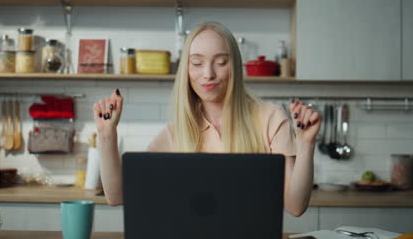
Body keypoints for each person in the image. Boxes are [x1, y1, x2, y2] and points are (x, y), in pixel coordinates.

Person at [93, 22, 321, 217]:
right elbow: (117, 196)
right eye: (197, 63)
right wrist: (106, 135)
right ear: (186, 70)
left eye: (221, 62)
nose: (208, 74)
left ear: (235, 67)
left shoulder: (270, 117)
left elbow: (295, 206)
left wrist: (306, 145)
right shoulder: (177, 131)